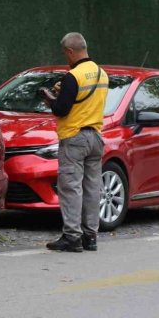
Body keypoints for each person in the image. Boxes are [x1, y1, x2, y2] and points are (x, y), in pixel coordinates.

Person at [42, 32, 108, 253]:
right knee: (92, 188)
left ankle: (72, 237)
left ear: (70, 51)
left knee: (71, 187)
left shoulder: (73, 76)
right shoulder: (102, 74)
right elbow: (85, 101)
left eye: (65, 54)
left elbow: (62, 109)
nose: (65, 58)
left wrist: (50, 99)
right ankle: (91, 236)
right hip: (96, 137)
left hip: (74, 137)